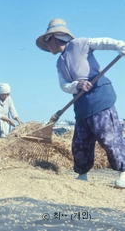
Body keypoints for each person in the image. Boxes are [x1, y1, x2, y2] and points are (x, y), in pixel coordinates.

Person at [36, 18, 125, 188]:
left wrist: (120, 46)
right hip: (82, 104)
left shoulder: (79, 44)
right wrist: (77, 85)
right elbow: (64, 85)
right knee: (81, 141)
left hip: (100, 98)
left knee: (109, 137)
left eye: (47, 42)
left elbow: (103, 42)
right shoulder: (59, 62)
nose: (47, 47)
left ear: (53, 38)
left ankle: (124, 172)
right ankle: (82, 175)